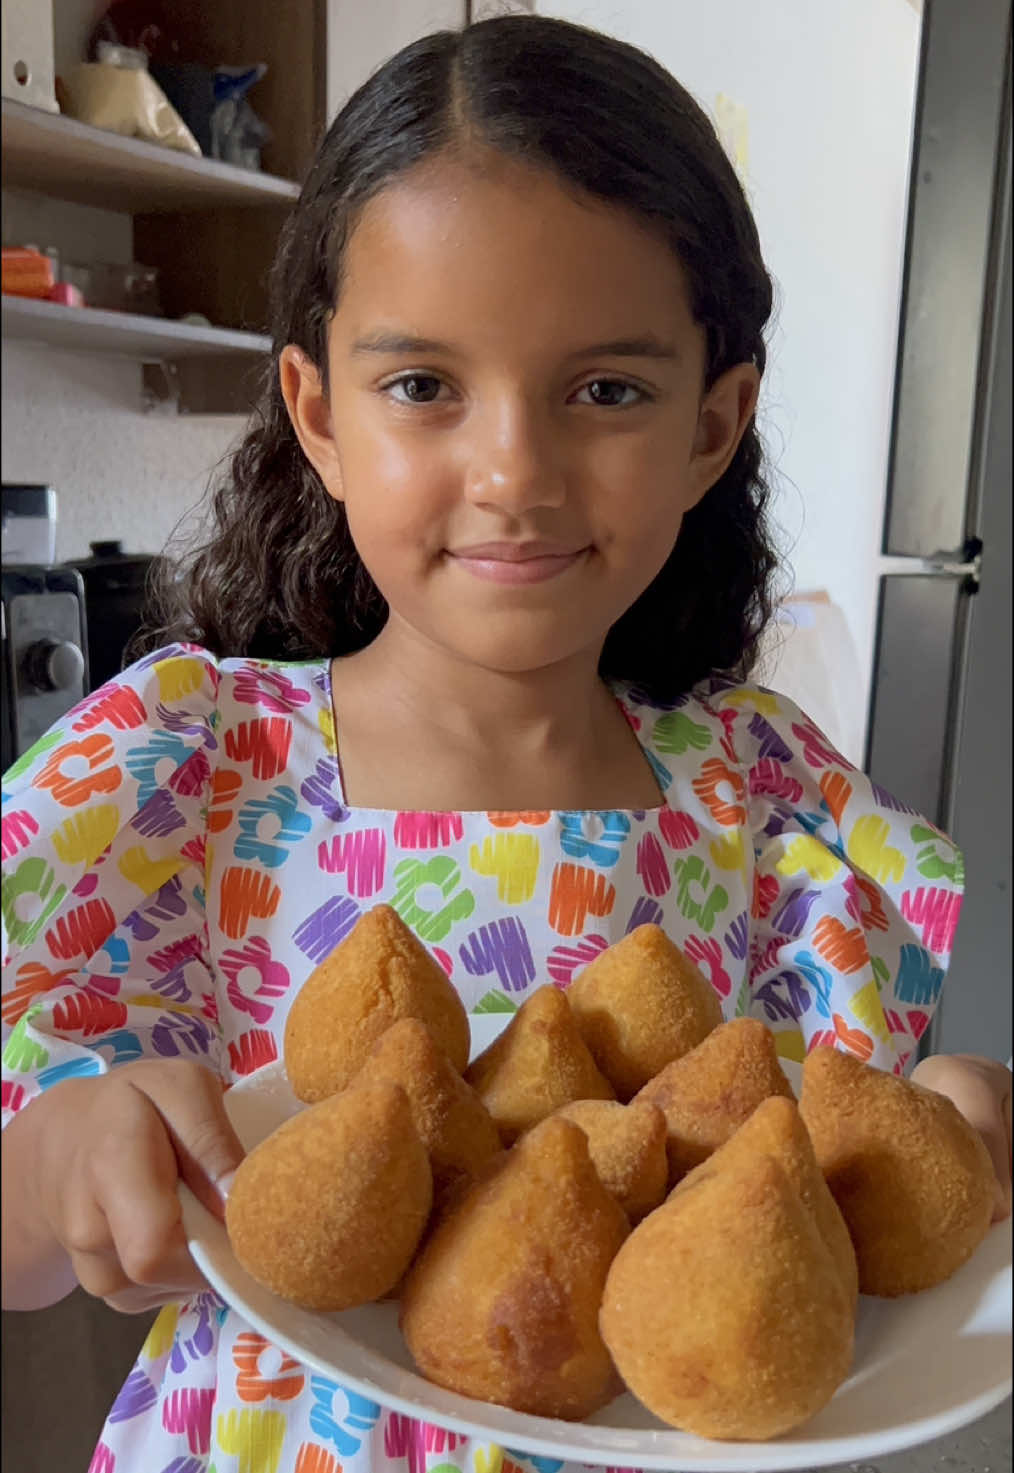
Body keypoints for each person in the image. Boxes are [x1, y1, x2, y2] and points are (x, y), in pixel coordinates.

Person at [2, 14, 1010, 1472]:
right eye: (423, 386)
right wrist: (55, 1177)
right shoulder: (189, 774)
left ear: (712, 426)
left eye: (605, 390)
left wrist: (961, 1125)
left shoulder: (760, 795)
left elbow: (834, 1188)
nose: (515, 472)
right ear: (319, 412)